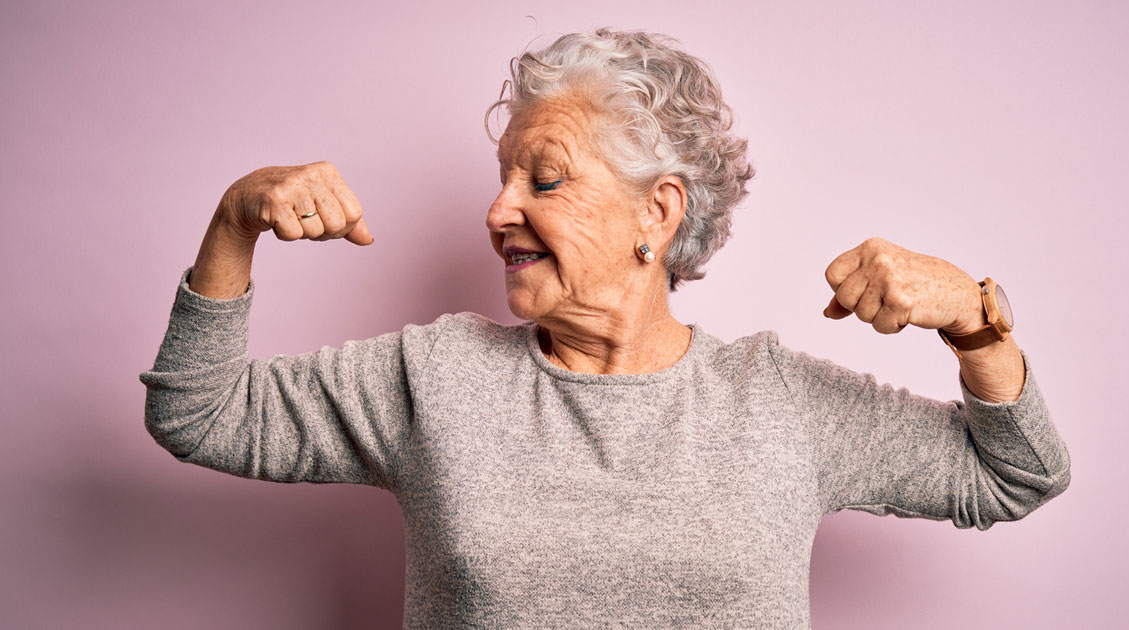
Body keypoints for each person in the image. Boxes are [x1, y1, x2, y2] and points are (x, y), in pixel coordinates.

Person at [140, 28, 1071, 629]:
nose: (498, 210)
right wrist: (235, 219)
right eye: (502, 178)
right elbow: (201, 413)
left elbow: (1017, 471)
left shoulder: (779, 403)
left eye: (542, 180)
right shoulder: (437, 377)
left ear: (656, 214)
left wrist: (976, 329)